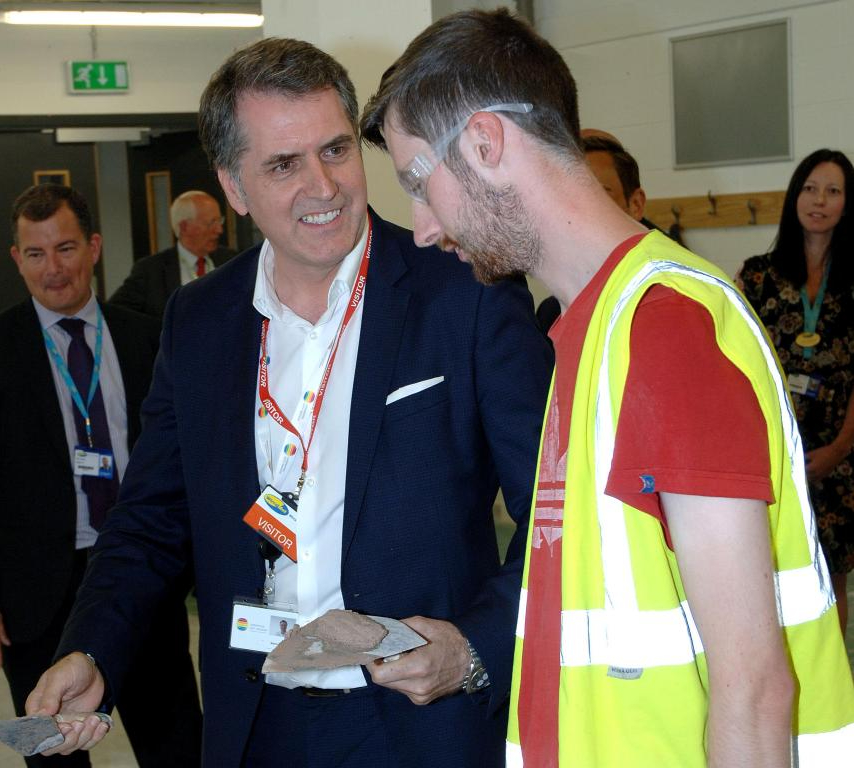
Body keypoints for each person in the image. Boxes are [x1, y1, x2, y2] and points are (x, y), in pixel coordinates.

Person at [24, 38, 551, 768]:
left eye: (335, 150)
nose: (323, 185)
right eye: (283, 164)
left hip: (419, 723)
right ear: (233, 187)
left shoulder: (461, 292)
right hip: (254, 722)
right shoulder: (200, 321)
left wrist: (475, 647)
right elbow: (150, 519)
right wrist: (93, 647)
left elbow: (555, 514)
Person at [360, 8, 854, 767]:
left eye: (419, 184)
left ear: (487, 144)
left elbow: (754, 690)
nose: (419, 226)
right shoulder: (587, 332)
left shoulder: (663, 328)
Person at [0, 184, 203, 767]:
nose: (52, 269)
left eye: (64, 249)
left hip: (140, 581)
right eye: (34, 254)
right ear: (16, 258)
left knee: (179, 745)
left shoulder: (147, 336)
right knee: (54, 757)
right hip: (33, 596)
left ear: (94, 246)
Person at [739, 148, 854, 640]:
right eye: (810, 188)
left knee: (833, 578)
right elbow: (739, 363)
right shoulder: (758, 275)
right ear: (794, 197)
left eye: (833, 191)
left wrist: (841, 448)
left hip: (837, 453)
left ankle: (835, 691)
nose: (819, 200)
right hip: (771, 452)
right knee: (772, 575)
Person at [536, 132, 655, 333]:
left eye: (597, 197)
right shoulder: (551, 313)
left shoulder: (669, 298)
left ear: (635, 204)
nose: (576, 215)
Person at [109, 190, 234, 318]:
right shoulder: (150, 271)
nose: (219, 230)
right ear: (185, 227)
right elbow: (115, 313)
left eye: (220, 221)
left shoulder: (232, 261)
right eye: (211, 223)